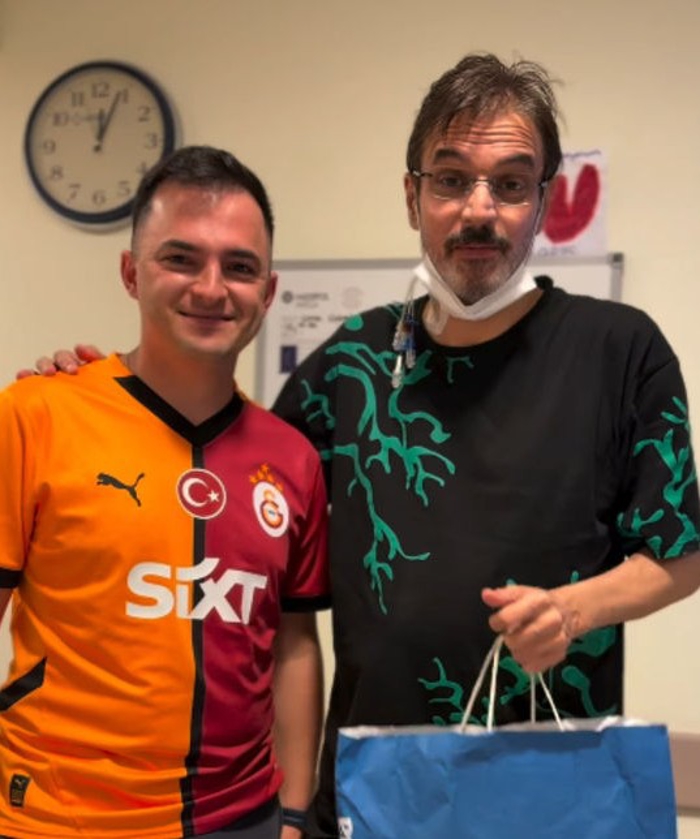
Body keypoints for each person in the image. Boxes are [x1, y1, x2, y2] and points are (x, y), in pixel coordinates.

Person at [27, 54, 700, 838]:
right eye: (451, 179)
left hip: (547, 789)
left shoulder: (618, 351)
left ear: (543, 201)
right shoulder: (351, 361)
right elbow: (235, 464)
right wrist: (104, 392)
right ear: (413, 195)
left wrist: (573, 610)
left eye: (512, 184)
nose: (479, 209)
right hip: (371, 794)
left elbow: (681, 552)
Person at [0, 146, 330, 838]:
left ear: (268, 291)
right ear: (131, 272)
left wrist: (296, 814)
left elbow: (294, 644)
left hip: (243, 819)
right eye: (181, 258)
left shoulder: (293, 460)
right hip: (58, 817)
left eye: (239, 267)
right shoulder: (35, 416)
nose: (211, 288)